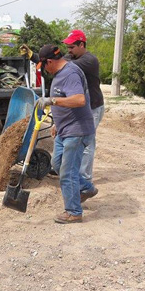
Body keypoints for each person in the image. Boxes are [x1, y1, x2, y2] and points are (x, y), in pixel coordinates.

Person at [35, 44, 95, 224]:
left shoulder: (70, 74)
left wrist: (52, 100)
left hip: (76, 131)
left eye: (44, 66)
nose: (44, 70)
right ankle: (86, 188)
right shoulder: (61, 72)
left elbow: (79, 99)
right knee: (57, 163)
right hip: (64, 128)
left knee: (67, 172)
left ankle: (74, 212)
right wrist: (57, 123)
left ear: (50, 61)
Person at [62, 30, 104, 195]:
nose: (69, 50)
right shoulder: (72, 57)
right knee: (76, 141)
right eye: (67, 47)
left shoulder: (89, 60)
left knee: (87, 143)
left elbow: (63, 65)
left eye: (72, 47)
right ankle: (75, 174)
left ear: (82, 45)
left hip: (93, 108)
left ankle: (84, 180)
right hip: (81, 108)